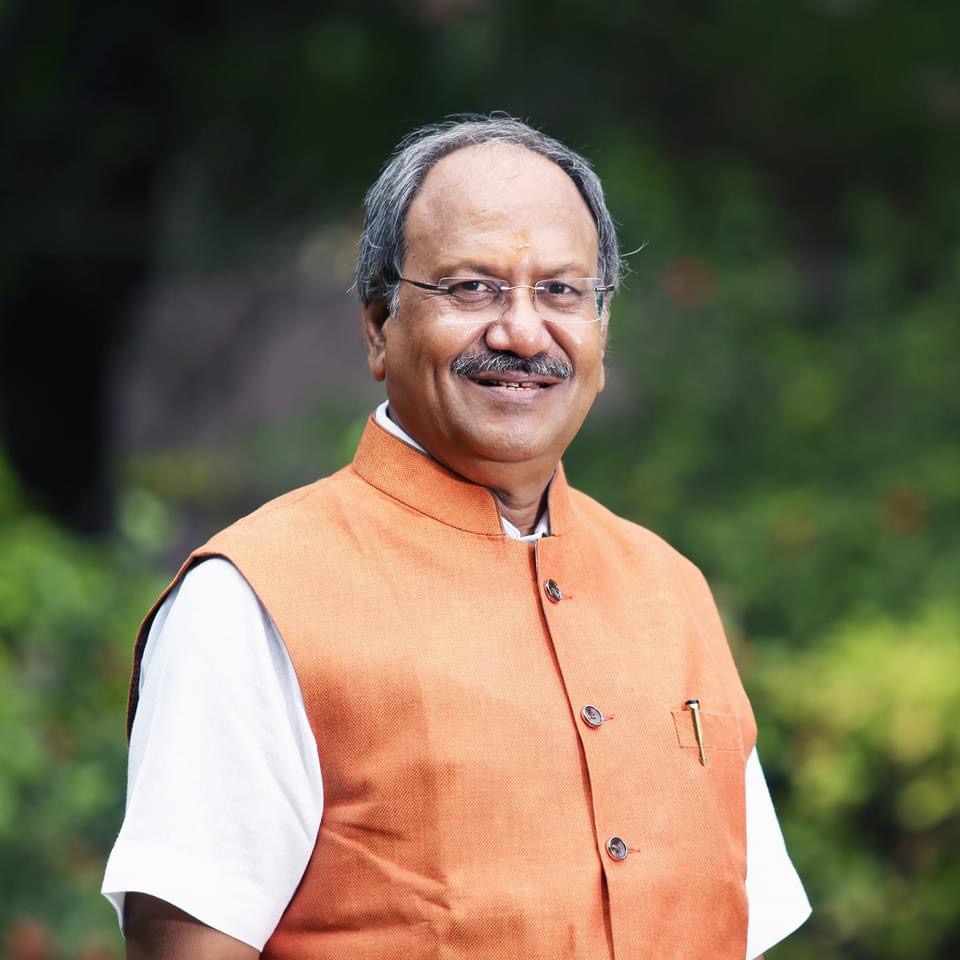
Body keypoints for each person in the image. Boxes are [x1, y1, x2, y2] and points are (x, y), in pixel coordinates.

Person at [103, 116, 810, 960]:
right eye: (473, 288)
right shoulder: (252, 600)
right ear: (379, 326)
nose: (522, 332)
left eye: (561, 291)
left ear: (602, 329)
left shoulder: (672, 592)